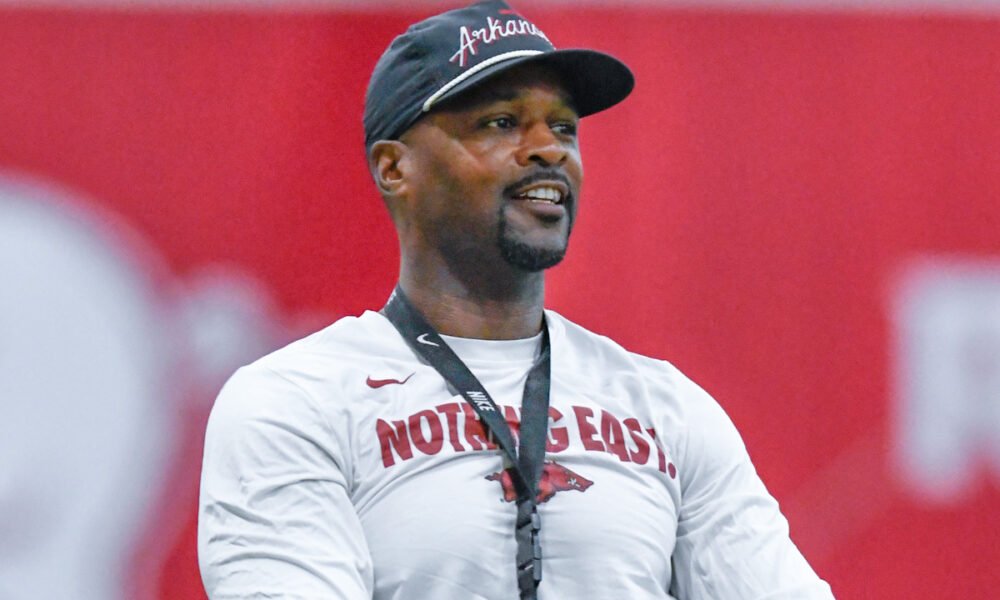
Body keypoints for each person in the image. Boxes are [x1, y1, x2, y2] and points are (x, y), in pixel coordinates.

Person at [198, 1, 835, 598]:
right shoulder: (297, 401)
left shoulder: (666, 407)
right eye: (501, 123)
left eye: (563, 127)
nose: (549, 149)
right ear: (395, 168)